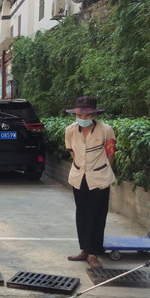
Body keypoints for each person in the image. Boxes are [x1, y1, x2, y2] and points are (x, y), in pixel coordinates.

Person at [64, 96, 116, 270]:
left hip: (100, 178)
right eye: (80, 115)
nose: (83, 119)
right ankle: (84, 250)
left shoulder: (106, 130)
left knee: (97, 215)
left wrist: (103, 170)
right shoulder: (70, 130)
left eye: (87, 116)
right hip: (79, 177)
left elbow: (111, 154)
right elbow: (72, 152)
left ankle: (94, 253)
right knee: (82, 214)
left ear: (94, 115)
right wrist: (82, 167)